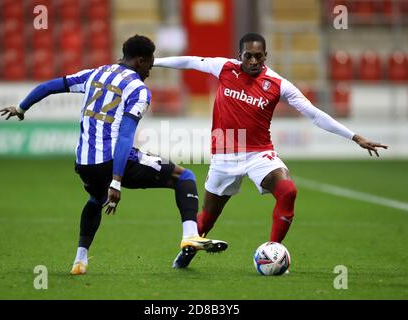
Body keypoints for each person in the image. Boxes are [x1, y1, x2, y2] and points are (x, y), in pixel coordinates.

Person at [153, 32, 388, 269]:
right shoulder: (224, 68)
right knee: (208, 216)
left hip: (259, 153)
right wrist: (154, 62)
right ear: (240, 55)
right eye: (248, 56)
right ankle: (187, 252)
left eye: (258, 56)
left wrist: (354, 137)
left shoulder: (278, 85)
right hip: (224, 155)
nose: (254, 61)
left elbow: (314, 114)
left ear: (266, 55)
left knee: (288, 191)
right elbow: (190, 61)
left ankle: (272, 251)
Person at [0, 34, 227, 275]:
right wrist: (116, 181)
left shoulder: (94, 74)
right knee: (184, 177)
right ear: (140, 60)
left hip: (85, 162)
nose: (151, 68)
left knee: (95, 200)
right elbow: (125, 136)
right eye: (150, 62)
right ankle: (190, 235)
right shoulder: (138, 89)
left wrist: (21, 107)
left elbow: (48, 87)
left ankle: (80, 260)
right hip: (113, 161)